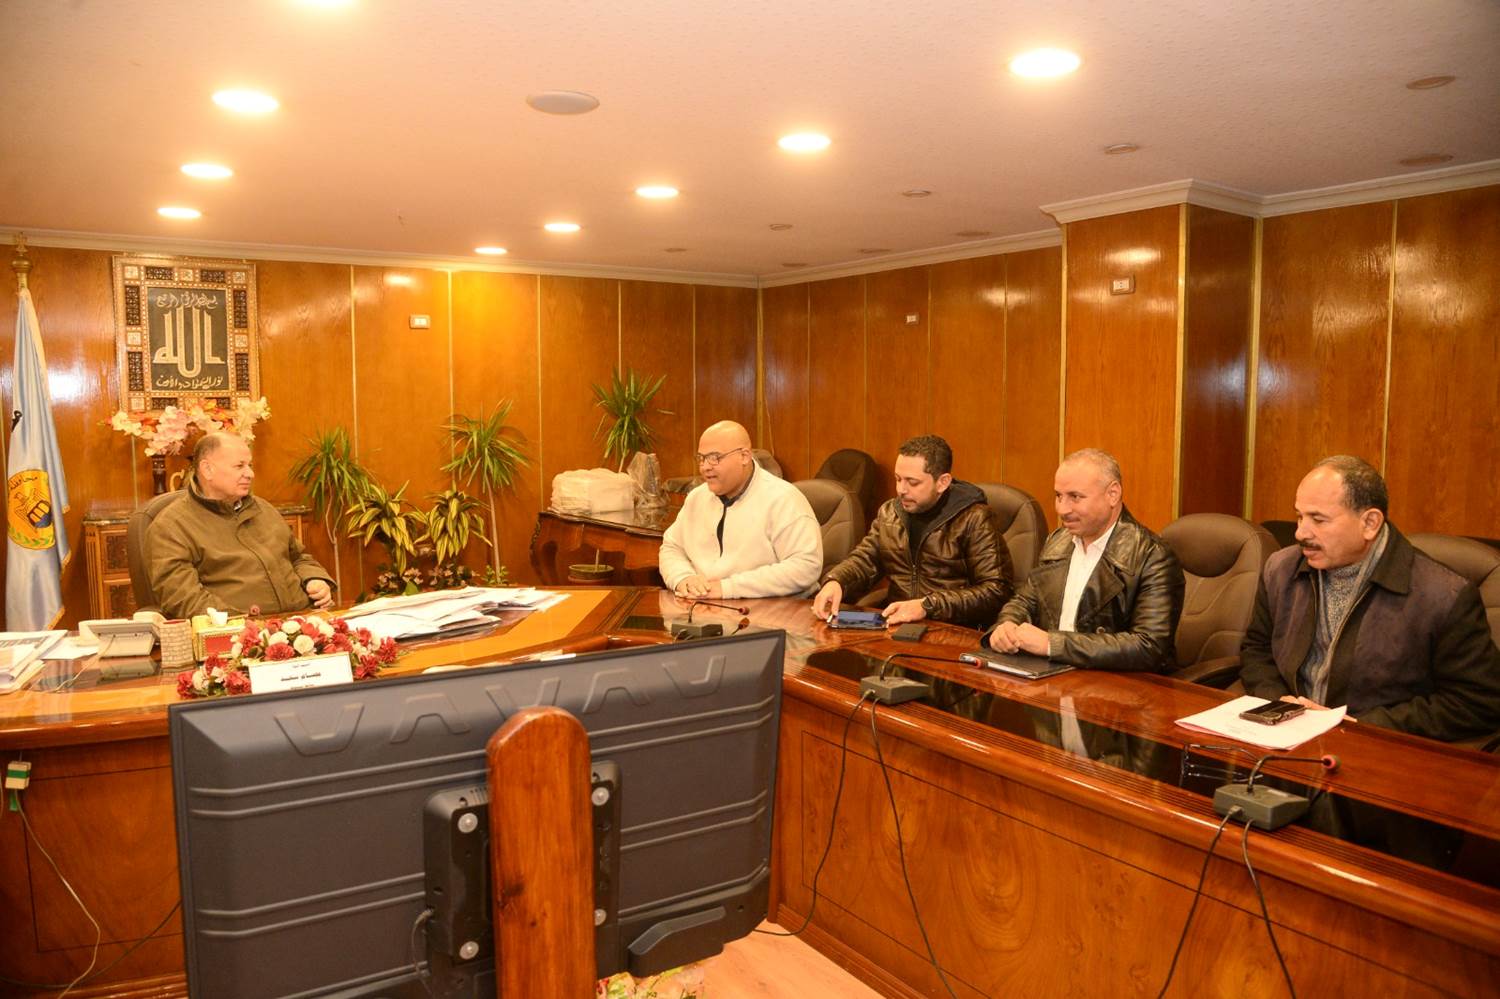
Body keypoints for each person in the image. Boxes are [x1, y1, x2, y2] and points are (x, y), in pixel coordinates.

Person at [1239, 456, 1500, 741]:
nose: (1300, 532)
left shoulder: (1445, 596)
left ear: (1370, 523)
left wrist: (1364, 725)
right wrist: (1279, 701)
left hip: (1377, 745)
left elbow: (1476, 702)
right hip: (1284, 734)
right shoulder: (1280, 569)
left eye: (1318, 519)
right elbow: (1257, 649)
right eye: (1300, 516)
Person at [986, 448, 1183, 671]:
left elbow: (1149, 646)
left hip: (1116, 682)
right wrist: (1007, 625)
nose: (1062, 509)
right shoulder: (1058, 541)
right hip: (1052, 673)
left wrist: (1052, 644)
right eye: (1058, 496)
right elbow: (1026, 600)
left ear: (1113, 494)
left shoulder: (1153, 556)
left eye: (1075, 497)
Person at [811, 435, 1013, 629]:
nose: (901, 490)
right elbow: (865, 560)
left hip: (952, 629)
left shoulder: (974, 518)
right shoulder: (890, 513)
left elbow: (996, 590)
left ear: (942, 482)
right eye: (898, 479)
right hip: (896, 625)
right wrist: (837, 581)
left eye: (912, 482)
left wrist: (928, 605)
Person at [148, 432, 335, 619]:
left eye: (249, 466)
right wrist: (245, 625)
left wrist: (314, 579)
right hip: (240, 630)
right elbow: (184, 599)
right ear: (207, 469)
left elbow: (299, 557)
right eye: (239, 466)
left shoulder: (263, 509)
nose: (250, 474)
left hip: (304, 620)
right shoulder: (171, 526)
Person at [659, 420, 822, 599]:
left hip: (772, 610)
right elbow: (671, 547)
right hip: (704, 606)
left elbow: (806, 565)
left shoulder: (783, 499)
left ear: (744, 456)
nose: (705, 466)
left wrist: (728, 588)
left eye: (714, 457)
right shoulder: (697, 497)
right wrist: (683, 578)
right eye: (701, 458)